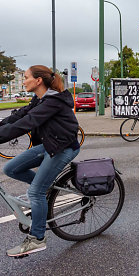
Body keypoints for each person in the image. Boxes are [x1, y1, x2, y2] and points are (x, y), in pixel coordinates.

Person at [0, 65, 80, 257]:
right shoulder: (39, 99)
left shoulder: (53, 102)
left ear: (38, 81)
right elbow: (19, 116)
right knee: (11, 169)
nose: (24, 80)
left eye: (26, 77)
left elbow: (26, 124)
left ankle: (37, 239)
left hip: (63, 148)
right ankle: (46, 187)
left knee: (35, 192)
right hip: (48, 144)